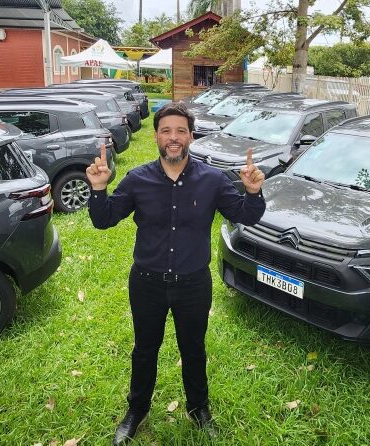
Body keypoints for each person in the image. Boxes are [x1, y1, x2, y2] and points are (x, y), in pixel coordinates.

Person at [87, 102, 266, 445]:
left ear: (190, 137)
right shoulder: (137, 179)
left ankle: (198, 408)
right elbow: (104, 219)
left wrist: (253, 193)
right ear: (156, 136)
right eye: (166, 130)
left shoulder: (212, 180)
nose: (173, 137)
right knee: (144, 350)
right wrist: (98, 189)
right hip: (147, 284)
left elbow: (245, 215)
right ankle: (137, 410)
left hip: (193, 285)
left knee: (194, 349)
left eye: (180, 131)